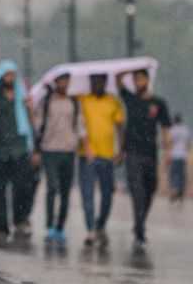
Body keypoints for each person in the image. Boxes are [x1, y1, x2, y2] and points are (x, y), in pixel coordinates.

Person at [0, 61, 38, 247]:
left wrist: (29, 109)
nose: (10, 79)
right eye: (7, 75)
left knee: (23, 187)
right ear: (1, 77)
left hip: (20, 150)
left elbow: (31, 124)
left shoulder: (22, 97)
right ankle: (2, 228)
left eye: (13, 75)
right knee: (0, 192)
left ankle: (19, 219)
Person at [115, 68, 171, 251]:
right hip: (132, 153)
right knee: (137, 192)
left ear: (147, 80)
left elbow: (165, 128)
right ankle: (140, 232)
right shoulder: (131, 99)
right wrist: (132, 67)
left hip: (151, 153)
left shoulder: (158, 103)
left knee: (150, 190)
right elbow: (118, 78)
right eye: (135, 79)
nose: (138, 82)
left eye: (141, 78)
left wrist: (168, 151)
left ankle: (139, 223)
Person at [30, 72, 83, 246]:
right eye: (61, 80)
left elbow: (80, 127)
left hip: (68, 150)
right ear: (56, 82)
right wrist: (37, 150)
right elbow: (37, 126)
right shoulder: (46, 103)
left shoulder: (74, 102)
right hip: (49, 150)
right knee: (52, 187)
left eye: (67, 80)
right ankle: (49, 226)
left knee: (66, 192)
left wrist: (82, 145)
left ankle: (60, 226)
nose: (64, 84)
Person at [78, 73, 125, 248]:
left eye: (100, 81)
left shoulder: (113, 101)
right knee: (87, 193)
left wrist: (121, 149)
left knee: (107, 194)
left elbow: (120, 125)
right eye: (93, 81)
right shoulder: (83, 100)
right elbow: (79, 124)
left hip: (107, 154)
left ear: (105, 82)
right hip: (87, 154)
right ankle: (90, 229)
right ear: (89, 82)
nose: (96, 84)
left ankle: (100, 224)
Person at [169, 114, 189, 203]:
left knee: (173, 174)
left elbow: (169, 142)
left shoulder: (172, 130)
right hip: (183, 155)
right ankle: (180, 192)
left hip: (174, 155)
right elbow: (188, 143)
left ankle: (174, 190)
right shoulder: (185, 130)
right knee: (181, 175)